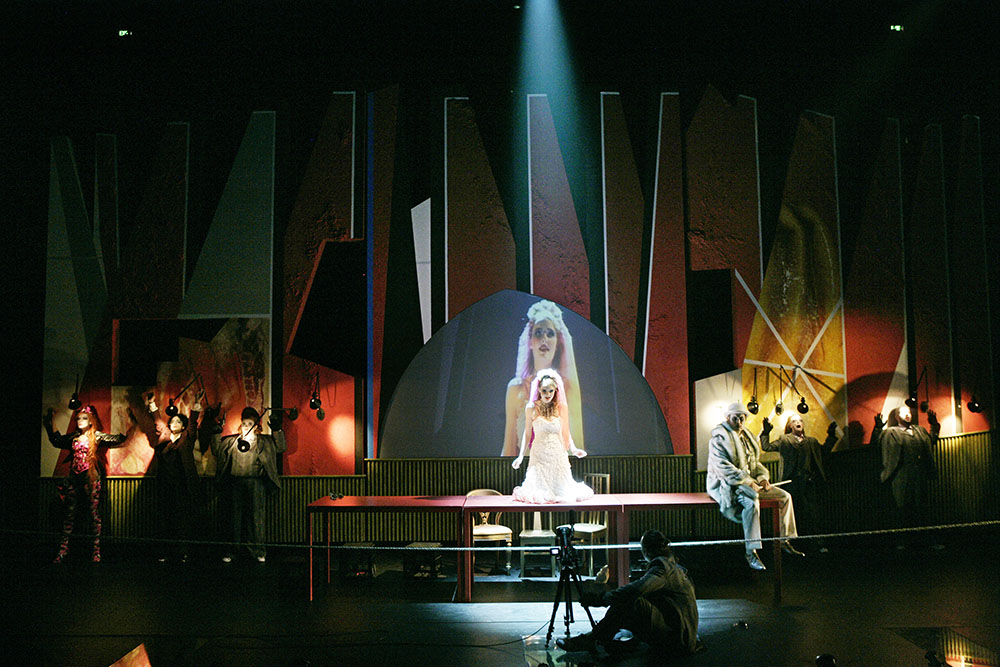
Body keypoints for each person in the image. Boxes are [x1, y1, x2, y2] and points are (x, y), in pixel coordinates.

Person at [557, 530, 699, 658]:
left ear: (646, 551)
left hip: (678, 640)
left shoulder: (662, 567)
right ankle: (597, 637)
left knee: (630, 600)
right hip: (684, 635)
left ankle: (592, 638)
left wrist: (602, 599)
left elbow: (636, 590)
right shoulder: (676, 567)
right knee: (630, 603)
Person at [706, 402, 803, 571]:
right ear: (728, 418)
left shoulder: (747, 437)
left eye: (742, 418)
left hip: (750, 483)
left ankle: (784, 540)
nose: (739, 422)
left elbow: (755, 464)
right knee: (752, 503)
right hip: (727, 485)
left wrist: (762, 478)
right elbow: (722, 467)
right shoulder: (719, 438)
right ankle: (751, 552)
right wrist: (748, 481)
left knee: (784, 497)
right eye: (735, 418)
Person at [43, 405, 127, 563]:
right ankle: (63, 549)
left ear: (90, 421)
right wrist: (51, 421)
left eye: (84, 418)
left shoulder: (96, 436)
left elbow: (119, 438)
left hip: (91, 478)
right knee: (69, 514)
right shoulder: (74, 437)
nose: (80, 421)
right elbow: (57, 440)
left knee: (93, 514)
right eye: (78, 418)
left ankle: (96, 550)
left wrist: (122, 419)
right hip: (74, 479)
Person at [501, 299, 583, 456]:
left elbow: (578, 444)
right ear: (530, 342)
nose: (544, 338)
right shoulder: (516, 389)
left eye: (550, 333)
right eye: (538, 333)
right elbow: (509, 449)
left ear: (557, 344)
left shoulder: (568, 388)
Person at [207, 406, 286, 563]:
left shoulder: (264, 441)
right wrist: (216, 433)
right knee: (233, 518)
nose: (246, 427)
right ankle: (232, 551)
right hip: (235, 483)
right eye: (244, 424)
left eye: (250, 424)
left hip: (256, 483)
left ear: (256, 426)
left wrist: (277, 430)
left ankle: (258, 551)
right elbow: (216, 450)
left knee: (256, 518)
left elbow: (281, 447)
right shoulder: (232, 441)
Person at [140, 391, 204, 563]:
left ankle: (183, 551)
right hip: (165, 483)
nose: (174, 423)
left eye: (178, 421)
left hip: (183, 484)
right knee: (164, 517)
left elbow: (193, 423)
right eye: (172, 421)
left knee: (182, 518)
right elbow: (158, 421)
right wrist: (152, 404)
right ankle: (164, 551)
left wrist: (197, 403)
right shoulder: (165, 436)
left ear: (183, 426)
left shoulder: (187, 437)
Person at [512, 370, 592, 503]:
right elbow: (527, 433)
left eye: (551, 391)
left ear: (555, 391)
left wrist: (573, 449)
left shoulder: (560, 407)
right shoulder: (531, 408)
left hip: (557, 453)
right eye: (544, 391)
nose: (548, 394)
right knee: (537, 493)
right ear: (539, 390)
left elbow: (565, 431)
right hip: (539, 455)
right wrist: (521, 456)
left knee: (561, 492)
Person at [760, 414, 837, 537]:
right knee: (795, 513)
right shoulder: (784, 440)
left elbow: (824, 450)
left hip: (808, 483)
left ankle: (814, 540)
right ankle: (796, 540)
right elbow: (766, 447)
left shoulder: (811, 441)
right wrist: (766, 432)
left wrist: (831, 435)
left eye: (800, 420)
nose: (798, 422)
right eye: (794, 421)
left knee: (812, 513)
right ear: (790, 425)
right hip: (792, 484)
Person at [878, 405, 939, 542]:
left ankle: (924, 540)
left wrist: (934, 426)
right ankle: (902, 541)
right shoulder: (891, 432)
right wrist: (877, 429)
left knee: (921, 507)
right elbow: (879, 449)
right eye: (903, 413)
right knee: (902, 508)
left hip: (919, 475)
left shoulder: (919, 431)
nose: (907, 415)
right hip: (900, 475)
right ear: (896, 416)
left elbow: (931, 442)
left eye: (909, 412)